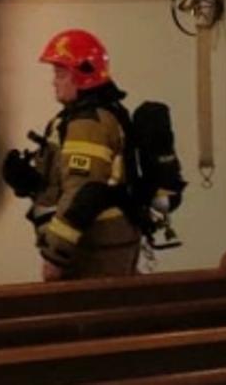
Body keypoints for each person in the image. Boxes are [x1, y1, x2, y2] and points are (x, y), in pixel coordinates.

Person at [30, 29, 141, 280]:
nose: (54, 82)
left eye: (60, 74)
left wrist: (55, 256)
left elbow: (80, 192)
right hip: (107, 241)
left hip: (96, 245)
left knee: (91, 306)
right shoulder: (97, 114)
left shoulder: (87, 124)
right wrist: (30, 181)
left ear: (82, 76)